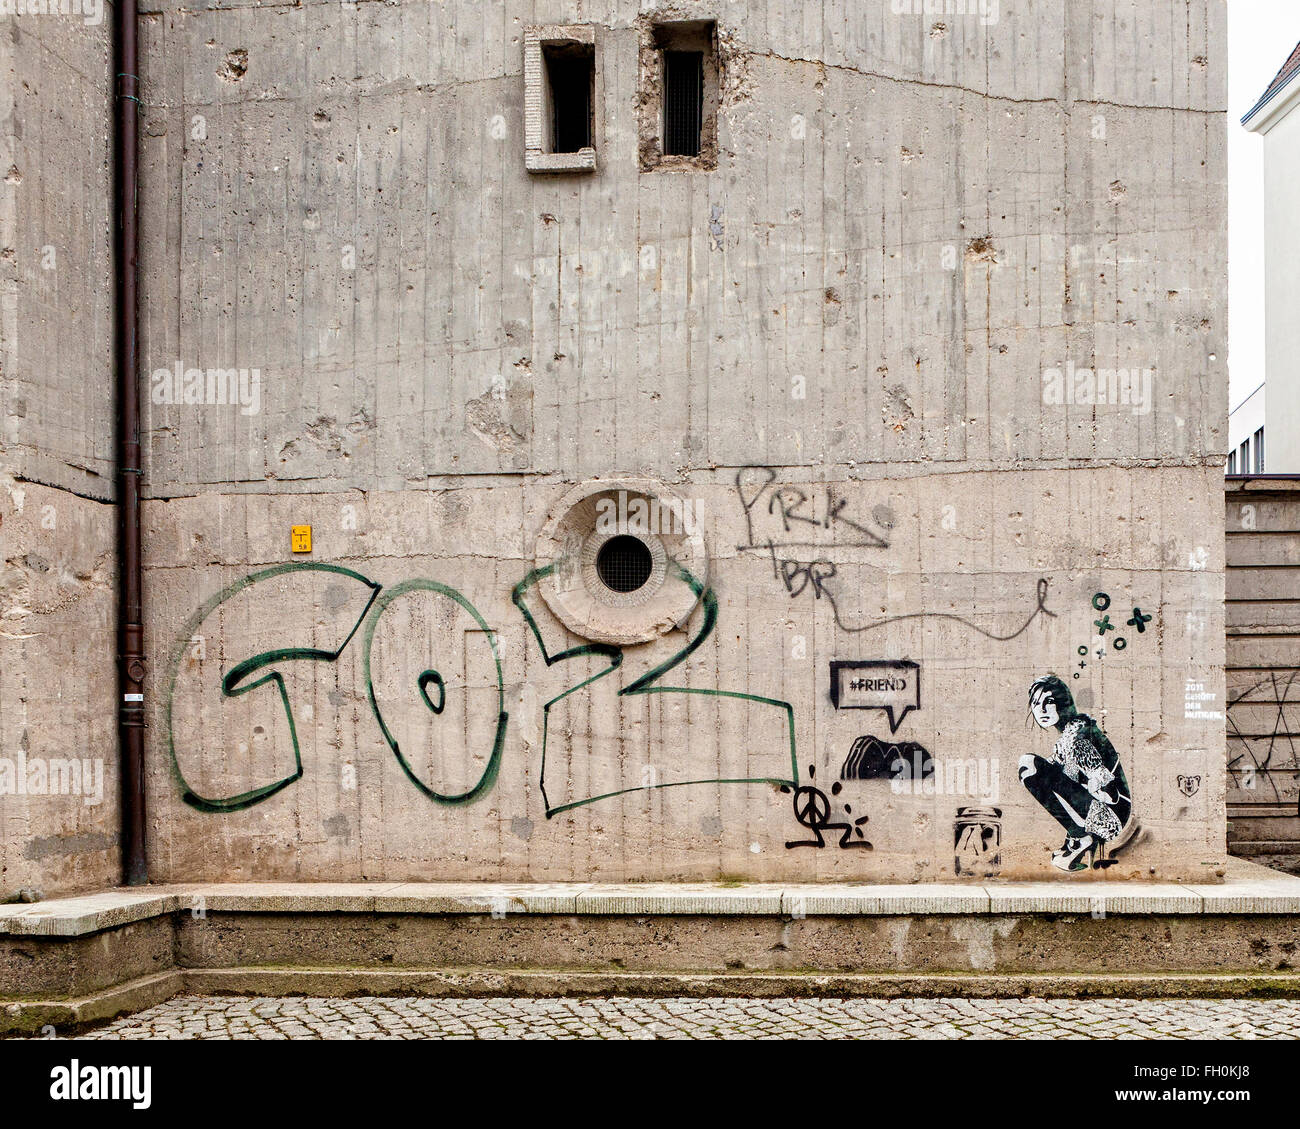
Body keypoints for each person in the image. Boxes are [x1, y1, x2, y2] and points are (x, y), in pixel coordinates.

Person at [1020, 675, 1138, 872]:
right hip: (1103, 812)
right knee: (1035, 770)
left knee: (1028, 765)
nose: (1041, 710)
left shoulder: (1077, 739)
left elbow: (1110, 793)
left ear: (1063, 703)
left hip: (1111, 817)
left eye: (1049, 701)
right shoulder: (1067, 738)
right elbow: (1054, 773)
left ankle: (1078, 836)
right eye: (1035, 703)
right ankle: (1075, 839)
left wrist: (1091, 785)